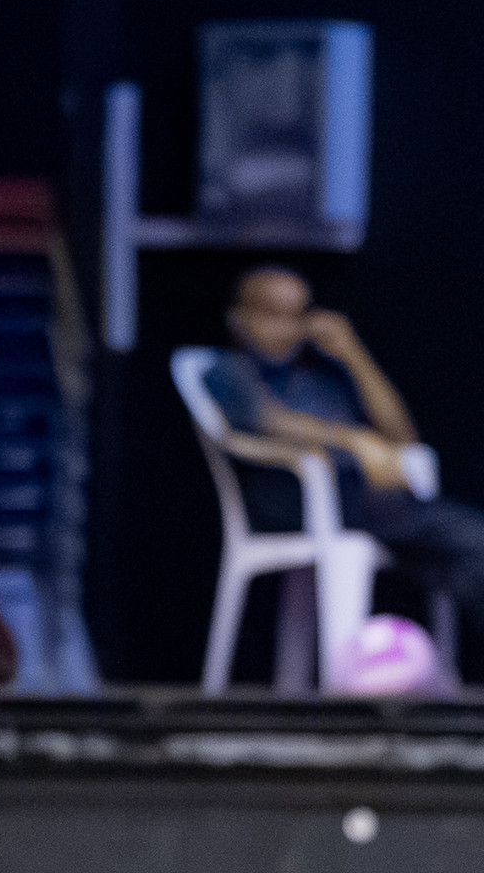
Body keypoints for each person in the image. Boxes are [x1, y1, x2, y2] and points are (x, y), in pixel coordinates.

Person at [206, 266, 484, 677]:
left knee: (465, 550)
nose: (287, 328)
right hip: (299, 502)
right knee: (466, 544)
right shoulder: (228, 370)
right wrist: (353, 440)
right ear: (239, 317)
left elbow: (402, 436)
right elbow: (269, 420)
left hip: (376, 505)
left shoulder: (324, 375)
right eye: (272, 313)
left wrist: (353, 354)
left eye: (298, 315)